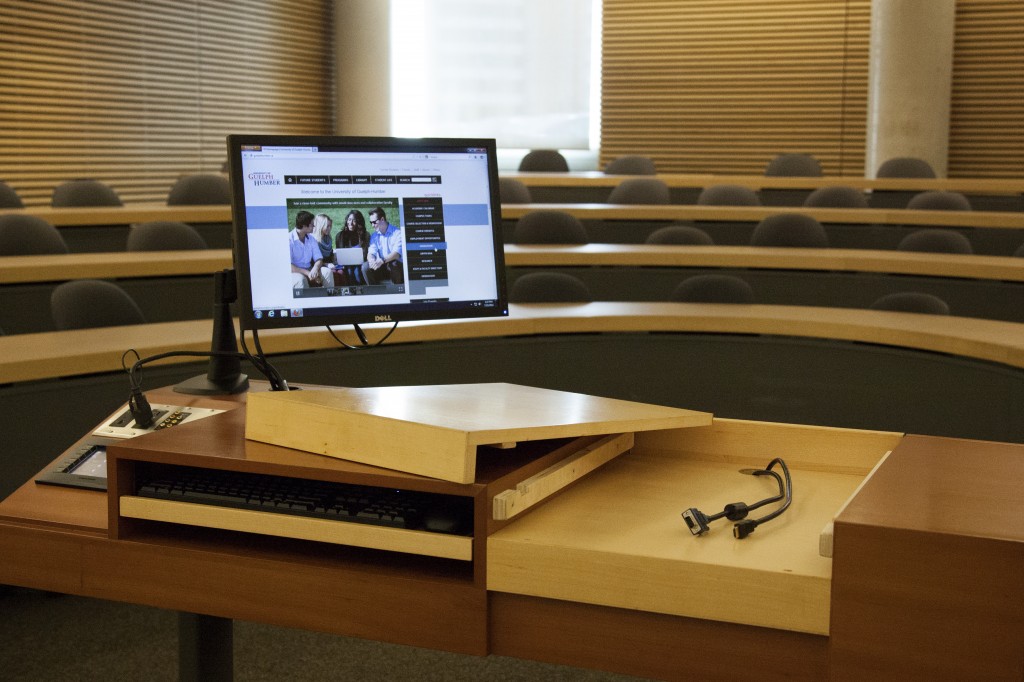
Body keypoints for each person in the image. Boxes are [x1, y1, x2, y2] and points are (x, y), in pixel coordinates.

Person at [289, 210, 334, 289]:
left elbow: (319, 258)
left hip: (310, 268)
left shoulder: (311, 238)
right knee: (301, 280)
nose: (314, 226)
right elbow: (289, 266)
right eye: (312, 224)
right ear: (304, 225)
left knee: (327, 272)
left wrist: (315, 268)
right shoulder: (289, 239)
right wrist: (308, 273)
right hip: (296, 271)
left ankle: (330, 297)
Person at [363, 206, 404, 285]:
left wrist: (382, 260)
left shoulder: (397, 233)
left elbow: (396, 254)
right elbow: (371, 252)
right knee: (365, 266)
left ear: (382, 219)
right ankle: (375, 292)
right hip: (382, 266)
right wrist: (371, 260)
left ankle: (397, 292)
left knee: (393, 263)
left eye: (374, 222)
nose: (372, 225)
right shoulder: (374, 236)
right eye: (371, 223)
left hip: (396, 266)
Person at [335, 209, 369, 284]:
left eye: (354, 221)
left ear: (359, 222)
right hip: (346, 265)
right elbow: (340, 254)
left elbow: (365, 254)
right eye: (349, 219)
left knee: (357, 271)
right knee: (350, 271)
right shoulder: (340, 236)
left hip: (360, 263)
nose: (350, 223)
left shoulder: (365, 235)